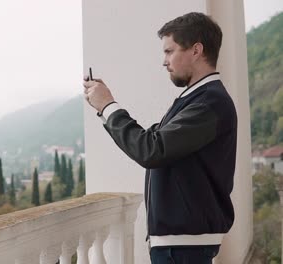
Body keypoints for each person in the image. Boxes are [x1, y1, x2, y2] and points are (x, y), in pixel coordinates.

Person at [83, 12, 237, 264]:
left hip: (184, 247)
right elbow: (150, 139)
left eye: (169, 51)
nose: (164, 61)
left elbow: (151, 150)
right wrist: (104, 109)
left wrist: (109, 105)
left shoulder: (210, 102)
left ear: (196, 50)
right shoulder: (197, 99)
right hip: (181, 244)